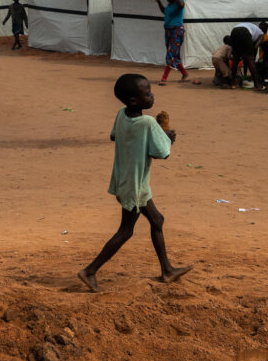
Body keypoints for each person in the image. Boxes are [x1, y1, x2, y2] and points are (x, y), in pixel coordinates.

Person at [77, 73, 192, 293]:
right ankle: (90, 271)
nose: (152, 95)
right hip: (135, 184)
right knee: (126, 231)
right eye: (147, 93)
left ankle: (167, 270)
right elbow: (162, 153)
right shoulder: (148, 123)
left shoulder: (121, 113)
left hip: (125, 178)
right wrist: (167, 136)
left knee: (157, 220)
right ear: (134, 100)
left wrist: (153, 136)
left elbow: (115, 136)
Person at [153, 0, 199, 85]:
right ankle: (185, 74)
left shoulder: (179, 2)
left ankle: (164, 78)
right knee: (175, 54)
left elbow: (182, 5)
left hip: (177, 31)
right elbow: (164, 11)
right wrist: (158, 2)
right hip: (168, 32)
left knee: (170, 53)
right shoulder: (169, 6)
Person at [230, 21, 268, 89]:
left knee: (235, 59)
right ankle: (257, 84)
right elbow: (255, 46)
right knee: (250, 60)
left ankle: (233, 83)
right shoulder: (262, 34)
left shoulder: (253, 28)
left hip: (234, 31)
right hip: (244, 32)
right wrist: (250, 55)